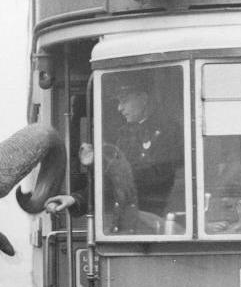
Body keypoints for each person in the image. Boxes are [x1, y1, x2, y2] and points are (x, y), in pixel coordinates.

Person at [46, 69, 185, 233]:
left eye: (124, 101)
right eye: (118, 101)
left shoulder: (170, 131)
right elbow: (111, 184)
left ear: (143, 98)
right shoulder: (125, 134)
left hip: (161, 223)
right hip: (130, 224)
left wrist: (106, 162)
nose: (119, 108)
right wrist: (75, 199)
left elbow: (157, 175)